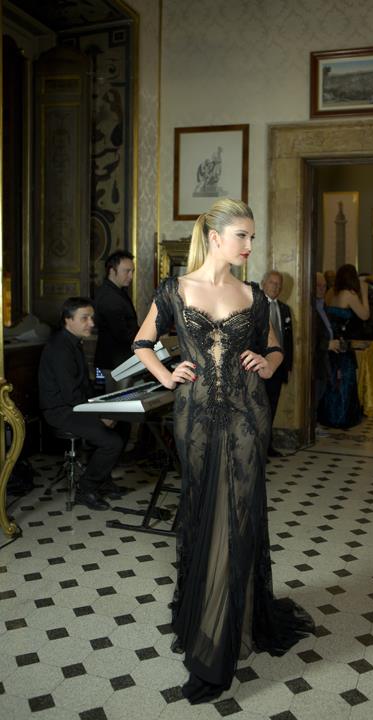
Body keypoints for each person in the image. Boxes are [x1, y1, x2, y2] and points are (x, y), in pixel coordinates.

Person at [132, 198, 313, 704]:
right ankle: (208, 615)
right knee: (202, 512)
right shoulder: (174, 290)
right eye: (243, 236)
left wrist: (269, 363)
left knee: (238, 513)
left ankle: (220, 639)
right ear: (215, 237)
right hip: (193, 420)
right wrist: (167, 374)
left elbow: (275, 349)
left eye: (252, 237)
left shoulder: (253, 295)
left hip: (247, 416)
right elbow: (142, 342)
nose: (250, 245)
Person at [38, 297, 128, 510]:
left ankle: (103, 480)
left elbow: (83, 387)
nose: (92, 323)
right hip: (60, 412)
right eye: (85, 318)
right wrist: (98, 415)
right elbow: (71, 395)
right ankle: (86, 489)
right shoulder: (60, 348)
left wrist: (103, 406)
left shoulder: (72, 341)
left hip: (74, 405)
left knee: (122, 423)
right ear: (68, 320)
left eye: (92, 318)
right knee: (112, 442)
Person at [319, 264, 370, 429]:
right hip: (342, 346)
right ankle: (341, 417)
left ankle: (328, 416)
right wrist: (365, 294)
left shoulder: (330, 293)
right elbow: (365, 315)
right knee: (344, 380)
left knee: (332, 380)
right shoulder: (349, 294)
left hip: (330, 343)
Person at [94, 250, 139, 393]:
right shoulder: (109, 296)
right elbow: (122, 334)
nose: (131, 276)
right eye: (127, 271)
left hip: (118, 362)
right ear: (112, 271)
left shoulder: (116, 291)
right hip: (114, 364)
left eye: (132, 271)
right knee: (116, 402)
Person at [261, 270, 293, 457]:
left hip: (279, 369)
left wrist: (288, 366)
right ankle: (259, 449)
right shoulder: (256, 307)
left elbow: (288, 341)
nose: (276, 287)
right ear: (263, 284)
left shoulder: (284, 309)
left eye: (279, 284)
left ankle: (268, 446)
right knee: (261, 409)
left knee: (272, 406)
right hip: (260, 368)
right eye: (272, 282)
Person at [314, 272, 340, 420]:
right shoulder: (308, 308)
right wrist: (327, 344)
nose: (321, 289)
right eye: (318, 285)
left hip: (326, 357)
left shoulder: (323, 305)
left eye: (324, 286)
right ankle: (312, 425)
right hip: (316, 358)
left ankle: (315, 423)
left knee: (322, 391)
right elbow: (307, 337)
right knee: (315, 393)